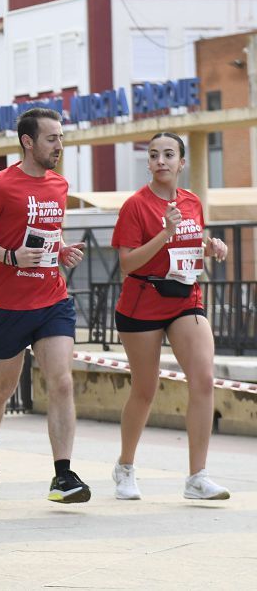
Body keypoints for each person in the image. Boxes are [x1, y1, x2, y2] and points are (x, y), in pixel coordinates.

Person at [0, 107, 89, 505]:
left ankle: (63, 476)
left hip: (52, 298)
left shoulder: (59, 185)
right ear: (28, 142)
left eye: (61, 138)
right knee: (2, 388)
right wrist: (9, 256)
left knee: (62, 381)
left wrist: (60, 249)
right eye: (52, 139)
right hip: (9, 305)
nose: (59, 146)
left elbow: (49, 231)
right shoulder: (1, 186)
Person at [110, 132, 231, 501]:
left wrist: (212, 248)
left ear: (182, 163)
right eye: (153, 155)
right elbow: (127, 264)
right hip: (143, 301)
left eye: (168, 154)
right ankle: (125, 467)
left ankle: (197, 477)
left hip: (184, 299)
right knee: (145, 390)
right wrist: (165, 233)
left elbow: (192, 248)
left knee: (204, 379)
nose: (161, 160)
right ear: (147, 163)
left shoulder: (192, 201)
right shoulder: (135, 206)